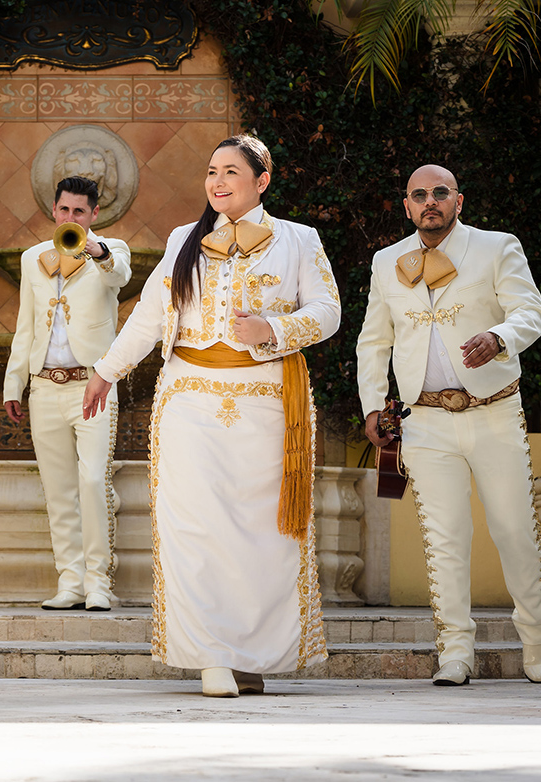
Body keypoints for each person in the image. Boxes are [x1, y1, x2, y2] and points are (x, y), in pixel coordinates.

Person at [83, 135, 340, 697]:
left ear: (261, 180)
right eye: (211, 172)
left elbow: (329, 312)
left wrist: (273, 329)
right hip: (190, 401)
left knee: (260, 533)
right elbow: (150, 316)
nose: (217, 182)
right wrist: (106, 370)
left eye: (231, 172)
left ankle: (249, 653)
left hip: (267, 403)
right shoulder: (185, 239)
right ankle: (211, 656)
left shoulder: (299, 240)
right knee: (194, 527)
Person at [356, 164, 541, 686]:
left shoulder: (497, 246)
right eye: (420, 195)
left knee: (515, 532)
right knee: (444, 537)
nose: (430, 201)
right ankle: (455, 653)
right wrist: (373, 406)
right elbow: (374, 340)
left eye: (440, 192)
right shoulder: (387, 260)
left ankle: (538, 646)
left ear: (458, 200)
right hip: (426, 420)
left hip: (494, 412)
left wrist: (500, 336)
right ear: (408, 206)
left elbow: (530, 310)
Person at [3, 176, 131, 611]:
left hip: (92, 386)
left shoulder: (112, 252)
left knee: (93, 481)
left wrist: (97, 251)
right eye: (64, 210)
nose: (70, 217)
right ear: (53, 210)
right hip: (44, 387)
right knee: (58, 490)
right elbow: (25, 325)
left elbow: (122, 276)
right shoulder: (31, 258)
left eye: (79, 211)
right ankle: (70, 581)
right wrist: (12, 382)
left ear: (94, 214)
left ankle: (99, 582)